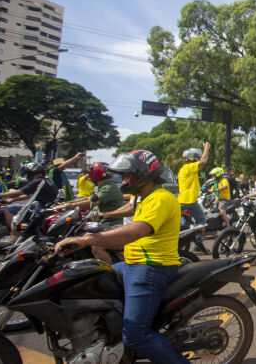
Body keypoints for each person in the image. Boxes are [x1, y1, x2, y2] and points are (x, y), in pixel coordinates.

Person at [54, 150, 187, 363]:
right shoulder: (145, 196)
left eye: (126, 176)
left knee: (136, 336)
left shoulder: (161, 198)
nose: (123, 180)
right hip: (131, 265)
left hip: (151, 268)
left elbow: (137, 230)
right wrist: (103, 216)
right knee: (85, 284)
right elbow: (130, 209)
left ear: (142, 174)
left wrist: (90, 239)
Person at [55, 162, 128, 264]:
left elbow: (92, 202)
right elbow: (88, 198)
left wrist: (67, 206)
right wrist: (67, 203)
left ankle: (110, 272)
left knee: (96, 246)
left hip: (111, 226)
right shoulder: (104, 186)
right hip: (102, 224)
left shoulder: (108, 188)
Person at [0, 162, 59, 242]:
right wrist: (12, 200)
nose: (27, 176)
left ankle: (15, 235)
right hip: (46, 208)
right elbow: (30, 195)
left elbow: (18, 192)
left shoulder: (38, 181)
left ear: (33, 172)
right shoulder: (47, 180)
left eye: (28, 173)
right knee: (18, 206)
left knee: (7, 209)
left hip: (39, 209)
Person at [177, 144, 210, 252]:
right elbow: (203, 162)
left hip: (182, 200)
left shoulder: (183, 168)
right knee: (202, 221)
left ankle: (181, 244)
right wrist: (207, 148)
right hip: (189, 201)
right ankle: (197, 244)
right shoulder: (189, 167)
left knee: (184, 224)